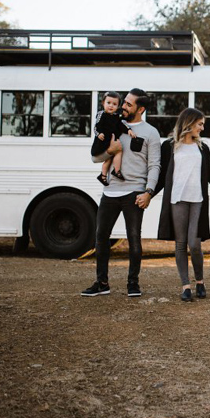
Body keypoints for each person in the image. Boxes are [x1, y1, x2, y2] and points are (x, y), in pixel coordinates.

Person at [81, 88, 161, 298]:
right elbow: (95, 158)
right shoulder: (110, 124)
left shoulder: (151, 133)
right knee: (100, 236)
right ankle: (102, 283)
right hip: (110, 192)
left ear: (140, 109)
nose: (122, 107)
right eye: (123, 102)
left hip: (134, 192)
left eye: (128, 104)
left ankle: (133, 284)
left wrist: (149, 192)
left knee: (134, 238)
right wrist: (112, 150)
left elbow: (155, 165)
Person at [154, 108, 210, 302]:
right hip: (177, 199)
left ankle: (200, 280)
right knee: (181, 244)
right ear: (189, 123)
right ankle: (186, 286)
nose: (202, 127)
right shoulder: (169, 146)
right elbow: (161, 177)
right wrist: (149, 193)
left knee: (195, 243)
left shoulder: (202, 148)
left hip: (198, 200)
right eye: (200, 124)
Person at [91, 91, 136, 186]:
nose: (111, 106)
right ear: (103, 103)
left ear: (118, 106)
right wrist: (98, 134)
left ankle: (113, 172)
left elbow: (121, 125)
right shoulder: (101, 114)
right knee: (109, 156)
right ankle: (106, 174)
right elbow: (96, 127)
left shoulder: (116, 117)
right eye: (108, 103)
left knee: (114, 155)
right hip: (102, 142)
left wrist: (129, 130)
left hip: (111, 142)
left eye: (114, 104)